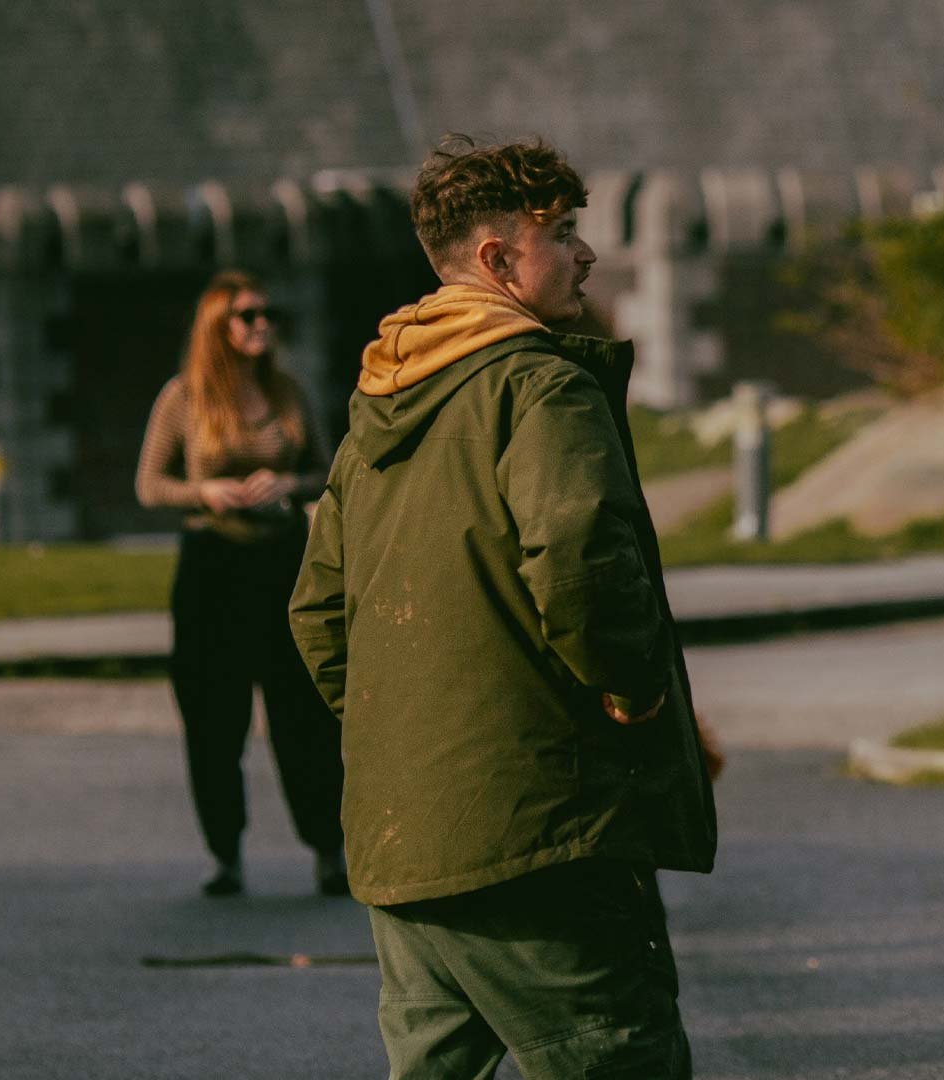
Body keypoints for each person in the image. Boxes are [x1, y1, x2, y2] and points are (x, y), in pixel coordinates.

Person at [288, 137, 716, 1080]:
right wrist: (637, 695)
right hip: (539, 834)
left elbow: (318, 612)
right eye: (560, 233)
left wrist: (404, 735)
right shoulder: (543, 384)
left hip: (404, 838)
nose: (585, 254)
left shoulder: (380, 403)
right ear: (496, 259)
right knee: (620, 1054)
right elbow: (578, 562)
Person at [135, 270, 346, 898]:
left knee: (304, 715)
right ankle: (225, 853)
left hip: (283, 565)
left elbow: (325, 470)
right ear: (216, 327)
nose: (262, 325)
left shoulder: (287, 391)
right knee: (212, 717)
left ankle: (327, 851)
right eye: (248, 315)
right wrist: (206, 491)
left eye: (268, 314)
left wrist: (288, 485)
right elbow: (149, 485)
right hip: (212, 570)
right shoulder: (185, 398)